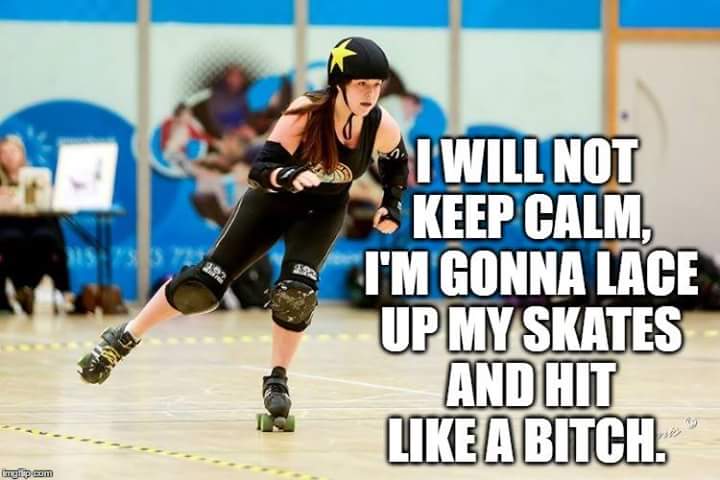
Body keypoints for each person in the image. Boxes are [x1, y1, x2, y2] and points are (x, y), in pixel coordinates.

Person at [77, 37, 410, 430]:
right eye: (361, 84)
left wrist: (391, 203)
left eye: (376, 85)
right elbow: (259, 170)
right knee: (202, 287)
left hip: (322, 212)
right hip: (270, 203)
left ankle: (277, 380)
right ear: (339, 83)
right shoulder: (305, 113)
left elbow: (396, 163)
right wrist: (288, 175)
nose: (370, 94)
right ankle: (123, 338)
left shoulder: (380, 124)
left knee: (297, 293)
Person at [0, 135, 72, 314]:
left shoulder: (37, 177)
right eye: (3, 152)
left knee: (47, 237)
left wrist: (47, 193)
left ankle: (59, 291)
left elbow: (50, 203)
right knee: (12, 239)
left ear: (22, 154)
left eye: (13, 151)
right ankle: (20, 289)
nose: (9, 156)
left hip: (36, 228)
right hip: (8, 226)